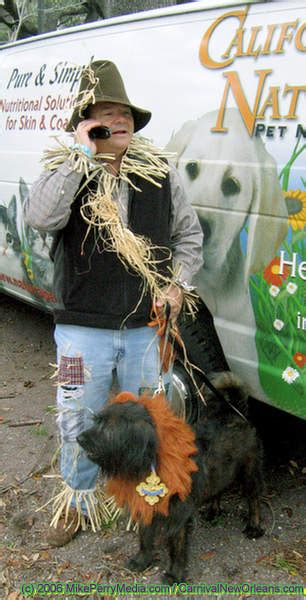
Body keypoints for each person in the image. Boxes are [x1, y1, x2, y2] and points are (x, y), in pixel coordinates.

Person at [24, 60, 203, 547]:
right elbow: (40, 217)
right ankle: (77, 500)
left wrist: (176, 285)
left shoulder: (159, 174)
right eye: (104, 114)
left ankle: (145, 497)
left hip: (145, 330)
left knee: (148, 418)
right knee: (78, 414)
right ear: (87, 122)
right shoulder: (65, 173)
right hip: (83, 332)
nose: (117, 120)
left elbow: (189, 239)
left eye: (122, 112)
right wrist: (80, 154)